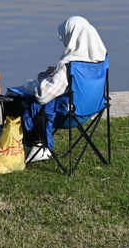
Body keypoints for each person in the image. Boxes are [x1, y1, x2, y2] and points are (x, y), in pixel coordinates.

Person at [7, 16, 106, 162]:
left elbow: (43, 96)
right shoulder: (100, 60)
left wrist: (42, 78)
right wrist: (55, 75)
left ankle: (34, 145)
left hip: (69, 116)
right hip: (91, 111)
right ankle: (30, 145)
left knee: (14, 97)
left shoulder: (69, 64)